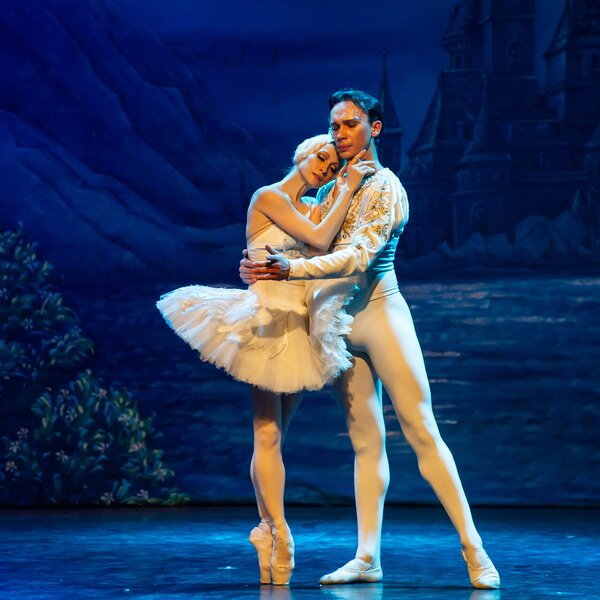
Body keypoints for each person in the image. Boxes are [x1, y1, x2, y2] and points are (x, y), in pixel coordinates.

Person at [240, 89, 501, 590]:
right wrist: (258, 264)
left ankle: (475, 550)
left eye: (350, 124)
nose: (339, 134)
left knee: (422, 432)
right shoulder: (331, 188)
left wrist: (290, 269)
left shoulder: (386, 186)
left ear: (374, 128)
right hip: (339, 322)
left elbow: (358, 255)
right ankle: (366, 557)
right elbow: (299, 240)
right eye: (334, 126)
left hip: (381, 314)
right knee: (365, 443)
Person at [156, 134, 375, 585]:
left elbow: (328, 251)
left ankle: (264, 531)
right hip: (266, 320)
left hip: (298, 327)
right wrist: (350, 185)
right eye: (321, 157)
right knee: (267, 432)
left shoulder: (313, 207)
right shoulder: (269, 197)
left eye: (333, 166)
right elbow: (319, 239)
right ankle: (278, 530)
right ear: (301, 155)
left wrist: (345, 191)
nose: (325, 167)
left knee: (275, 438)